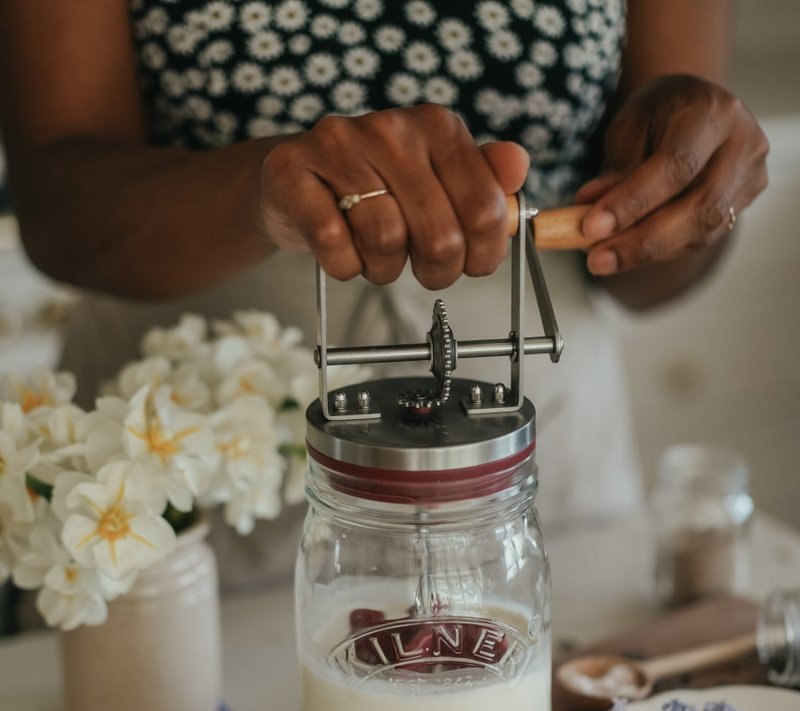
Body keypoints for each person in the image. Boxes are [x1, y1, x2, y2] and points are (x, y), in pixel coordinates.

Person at [0, 0, 769, 588]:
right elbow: (55, 207)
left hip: (535, 472)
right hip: (191, 465)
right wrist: (260, 189)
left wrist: (683, 192)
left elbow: (655, 270)